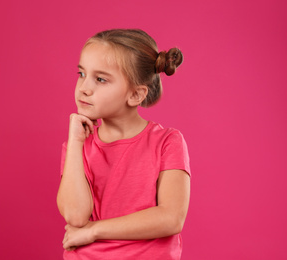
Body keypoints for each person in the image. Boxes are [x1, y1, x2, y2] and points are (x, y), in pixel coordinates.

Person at [57, 29, 191, 260]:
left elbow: (171, 218)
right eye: (81, 74)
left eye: (100, 79)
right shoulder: (77, 147)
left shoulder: (167, 141)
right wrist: (77, 142)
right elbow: (75, 216)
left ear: (136, 95)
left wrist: (94, 231)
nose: (84, 88)